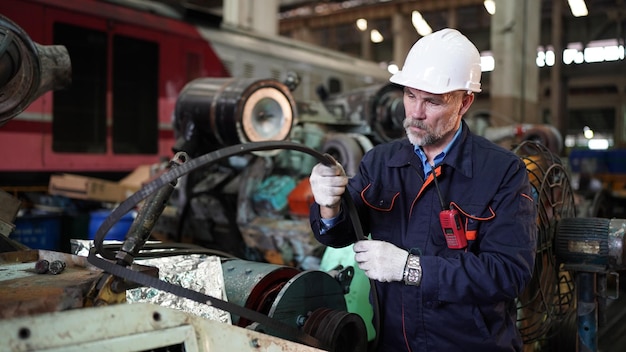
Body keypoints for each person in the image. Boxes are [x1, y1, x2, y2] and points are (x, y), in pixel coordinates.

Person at [308, 28, 537, 351]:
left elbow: (508, 273)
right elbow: (340, 233)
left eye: (432, 101)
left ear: (465, 102)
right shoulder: (381, 161)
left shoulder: (502, 172)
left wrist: (410, 268)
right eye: (410, 95)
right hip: (394, 342)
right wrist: (328, 204)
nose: (415, 112)